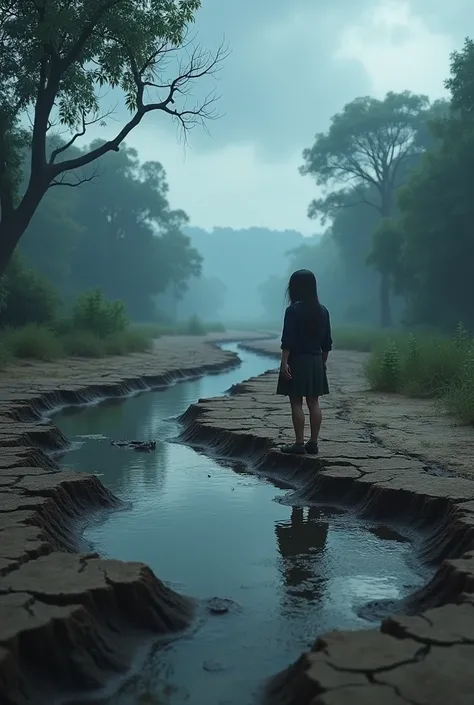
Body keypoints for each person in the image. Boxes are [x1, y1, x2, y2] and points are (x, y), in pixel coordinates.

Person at [276, 269, 332, 455]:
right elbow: (327, 343)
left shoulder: (292, 310)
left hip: (298, 360)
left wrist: (284, 362)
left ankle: (299, 443)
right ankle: (313, 443)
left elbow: (288, 340)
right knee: (314, 402)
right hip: (316, 360)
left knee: (296, 402)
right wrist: (322, 363)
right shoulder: (323, 310)